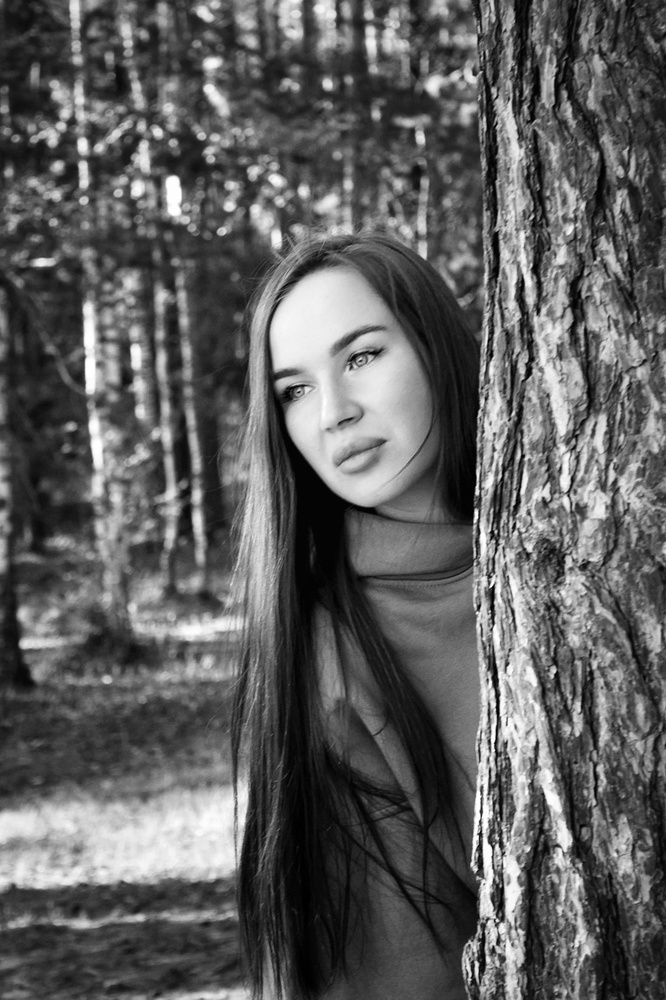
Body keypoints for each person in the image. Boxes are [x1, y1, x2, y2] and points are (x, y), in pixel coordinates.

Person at [231, 231, 481, 1000]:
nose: (333, 414)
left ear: (435, 347)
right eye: (294, 391)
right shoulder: (330, 655)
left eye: (362, 356)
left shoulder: (599, 548)